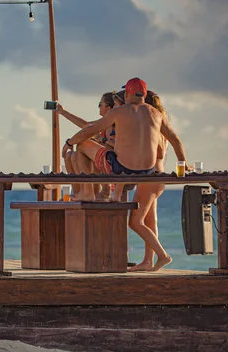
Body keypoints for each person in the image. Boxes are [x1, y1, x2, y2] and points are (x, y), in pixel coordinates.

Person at [62, 77, 190, 271]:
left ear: (128, 93)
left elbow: (89, 130)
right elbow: (175, 139)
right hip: (147, 172)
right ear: (144, 94)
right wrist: (183, 163)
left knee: (82, 146)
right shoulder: (156, 114)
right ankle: (154, 258)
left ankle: (87, 191)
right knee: (146, 219)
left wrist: (69, 143)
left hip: (122, 169)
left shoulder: (118, 112)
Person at [128, 90, 169, 272]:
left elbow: (157, 153)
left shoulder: (151, 126)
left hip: (150, 177)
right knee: (150, 222)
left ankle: (162, 255)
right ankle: (148, 261)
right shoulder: (159, 123)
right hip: (158, 177)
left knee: (135, 222)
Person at [57, 92, 116, 199]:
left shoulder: (114, 123)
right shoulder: (104, 122)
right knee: (70, 155)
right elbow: (85, 126)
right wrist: (63, 112)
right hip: (102, 161)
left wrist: (103, 140)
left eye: (100, 104)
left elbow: (115, 146)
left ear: (108, 108)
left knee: (80, 147)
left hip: (110, 163)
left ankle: (99, 191)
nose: (98, 107)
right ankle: (79, 192)